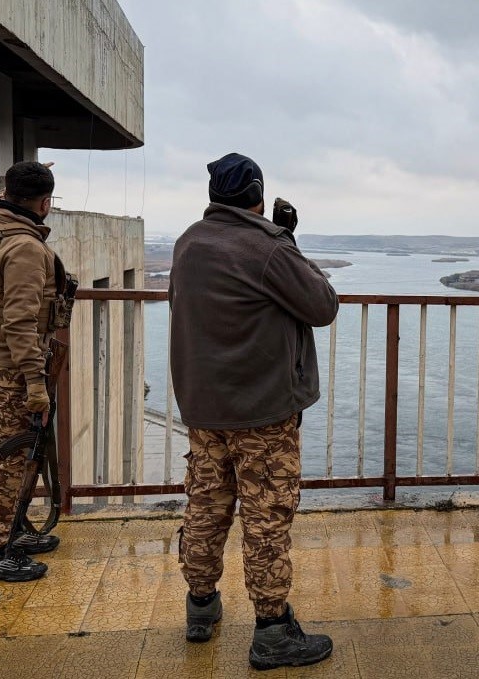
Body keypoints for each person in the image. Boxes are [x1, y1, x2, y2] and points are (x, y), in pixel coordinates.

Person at [169, 153, 339, 670]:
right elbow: (322, 305)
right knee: (266, 519)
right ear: (258, 196)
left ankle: (201, 606)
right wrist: (287, 239)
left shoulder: (188, 243)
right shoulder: (267, 247)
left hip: (204, 406)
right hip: (262, 410)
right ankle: (272, 631)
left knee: (206, 504)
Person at [0, 161, 68, 582]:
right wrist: (36, 384)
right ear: (45, 203)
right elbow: (21, 323)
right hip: (9, 369)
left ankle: (12, 532)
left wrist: (24, 179)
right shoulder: (26, 249)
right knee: (8, 459)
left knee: (9, 453)